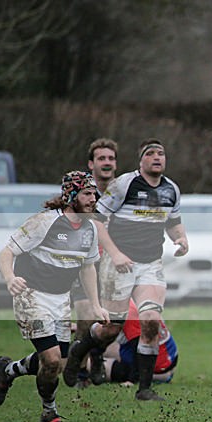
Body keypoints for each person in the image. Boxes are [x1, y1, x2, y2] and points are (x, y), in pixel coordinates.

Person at [63, 138, 189, 402]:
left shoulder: (172, 190)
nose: (157, 157)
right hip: (118, 263)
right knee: (111, 327)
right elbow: (96, 221)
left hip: (151, 264)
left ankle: (144, 389)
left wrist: (181, 239)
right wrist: (115, 253)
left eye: (161, 153)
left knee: (151, 320)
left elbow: (174, 222)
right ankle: (81, 351)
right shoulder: (124, 184)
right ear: (140, 160)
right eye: (150, 153)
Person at [0, 171, 109, 422]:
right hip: (31, 295)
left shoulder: (90, 229)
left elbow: (88, 268)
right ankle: (49, 412)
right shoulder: (44, 222)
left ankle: (9, 370)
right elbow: (6, 253)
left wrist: (96, 305)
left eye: (94, 194)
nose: (93, 199)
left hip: (60, 299)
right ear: (71, 196)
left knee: (57, 363)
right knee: (52, 359)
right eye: (87, 193)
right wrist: (11, 278)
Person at [71, 138, 119, 385]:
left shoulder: (123, 193)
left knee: (114, 323)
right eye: (102, 158)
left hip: (114, 267)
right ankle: (80, 374)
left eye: (111, 158)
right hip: (85, 264)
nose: (107, 163)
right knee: (86, 316)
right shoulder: (81, 194)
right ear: (91, 164)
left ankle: (97, 355)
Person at [84, 299, 179, 386]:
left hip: (158, 363)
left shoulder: (127, 312)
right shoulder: (128, 301)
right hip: (166, 357)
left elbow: (138, 347)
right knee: (97, 345)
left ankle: (81, 368)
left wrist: (131, 379)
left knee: (88, 363)